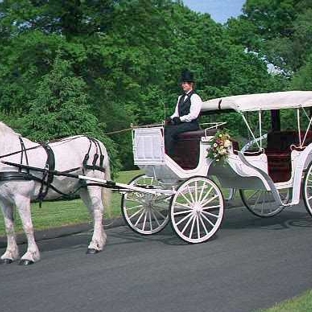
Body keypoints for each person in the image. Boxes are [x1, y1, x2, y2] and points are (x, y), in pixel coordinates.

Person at [164, 70, 202, 155]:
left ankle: (171, 155)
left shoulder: (195, 97)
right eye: (182, 83)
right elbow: (176, 113)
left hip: (192, 124)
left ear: (191, 84)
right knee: (166, 129)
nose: (183, 85)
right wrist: (170, 118)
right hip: (182, 124)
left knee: (171, 131)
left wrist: (180, 119)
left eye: (185, 83)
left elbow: (193, 115)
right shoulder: (180, 97)